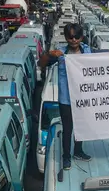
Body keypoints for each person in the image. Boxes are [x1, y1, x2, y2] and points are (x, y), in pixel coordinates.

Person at [38, 23, 92, 170]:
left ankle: (78, 151)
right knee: (67, 129)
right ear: (66, 37)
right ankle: (66, 157)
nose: (73, 40)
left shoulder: (87, 52)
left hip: (83, 98)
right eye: (70, 36)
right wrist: (49, 54)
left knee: (81, 127)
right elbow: (41, 63)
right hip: (66, 100)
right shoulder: (59, 54)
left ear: (81, 37)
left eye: (77, 37)